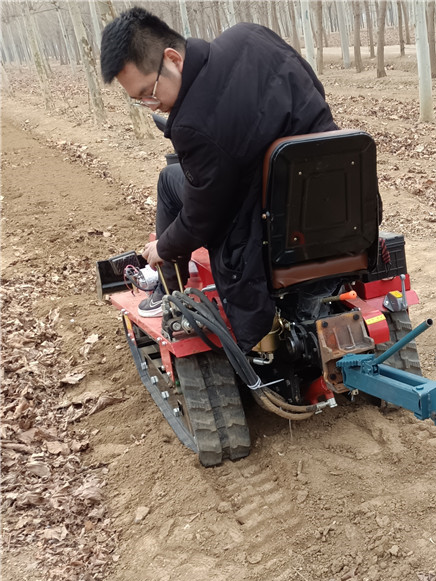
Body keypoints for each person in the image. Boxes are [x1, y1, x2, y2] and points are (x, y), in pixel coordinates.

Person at [100, 7, 337, 349]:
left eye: (149, 92)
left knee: (169, 181)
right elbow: (314, 89)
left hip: (270, 228)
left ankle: (168, 289)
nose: (151, 105)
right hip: (333, 199)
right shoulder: (251, 35)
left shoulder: (191, 125)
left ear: (173, 59)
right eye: (140, 101)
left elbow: (201, 220)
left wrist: (163, 247)